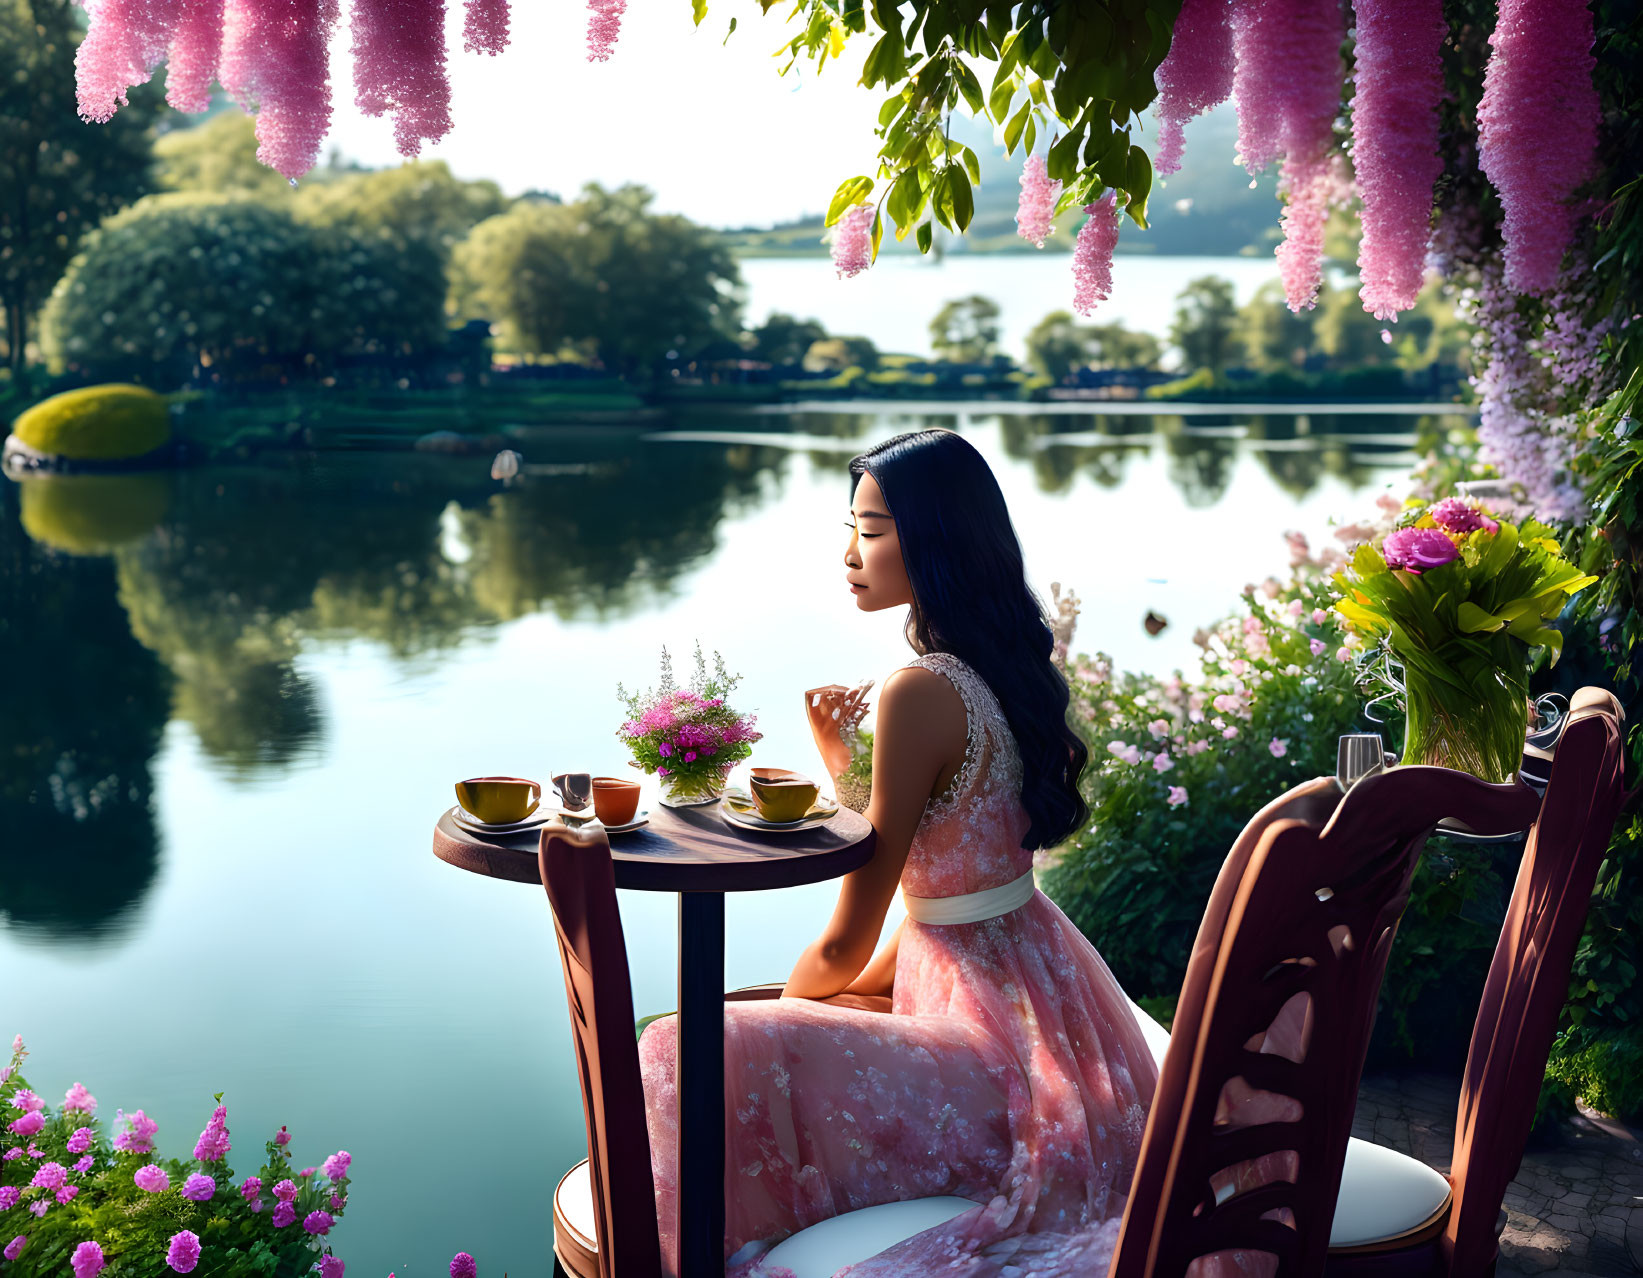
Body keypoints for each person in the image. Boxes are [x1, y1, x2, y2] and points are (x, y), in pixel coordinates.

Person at [637, 428, 1158, 1277]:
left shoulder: (918, 691)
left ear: (936, 543)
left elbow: (848, 939)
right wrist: (846, 765)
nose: (849, 553)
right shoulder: (998, 674)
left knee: (679, 1044)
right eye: (851, 528)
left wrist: (791, 1008)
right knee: (733, 1037)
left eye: (870, 531)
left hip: (994, 1060)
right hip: (1043, 996)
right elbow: (951, 865)